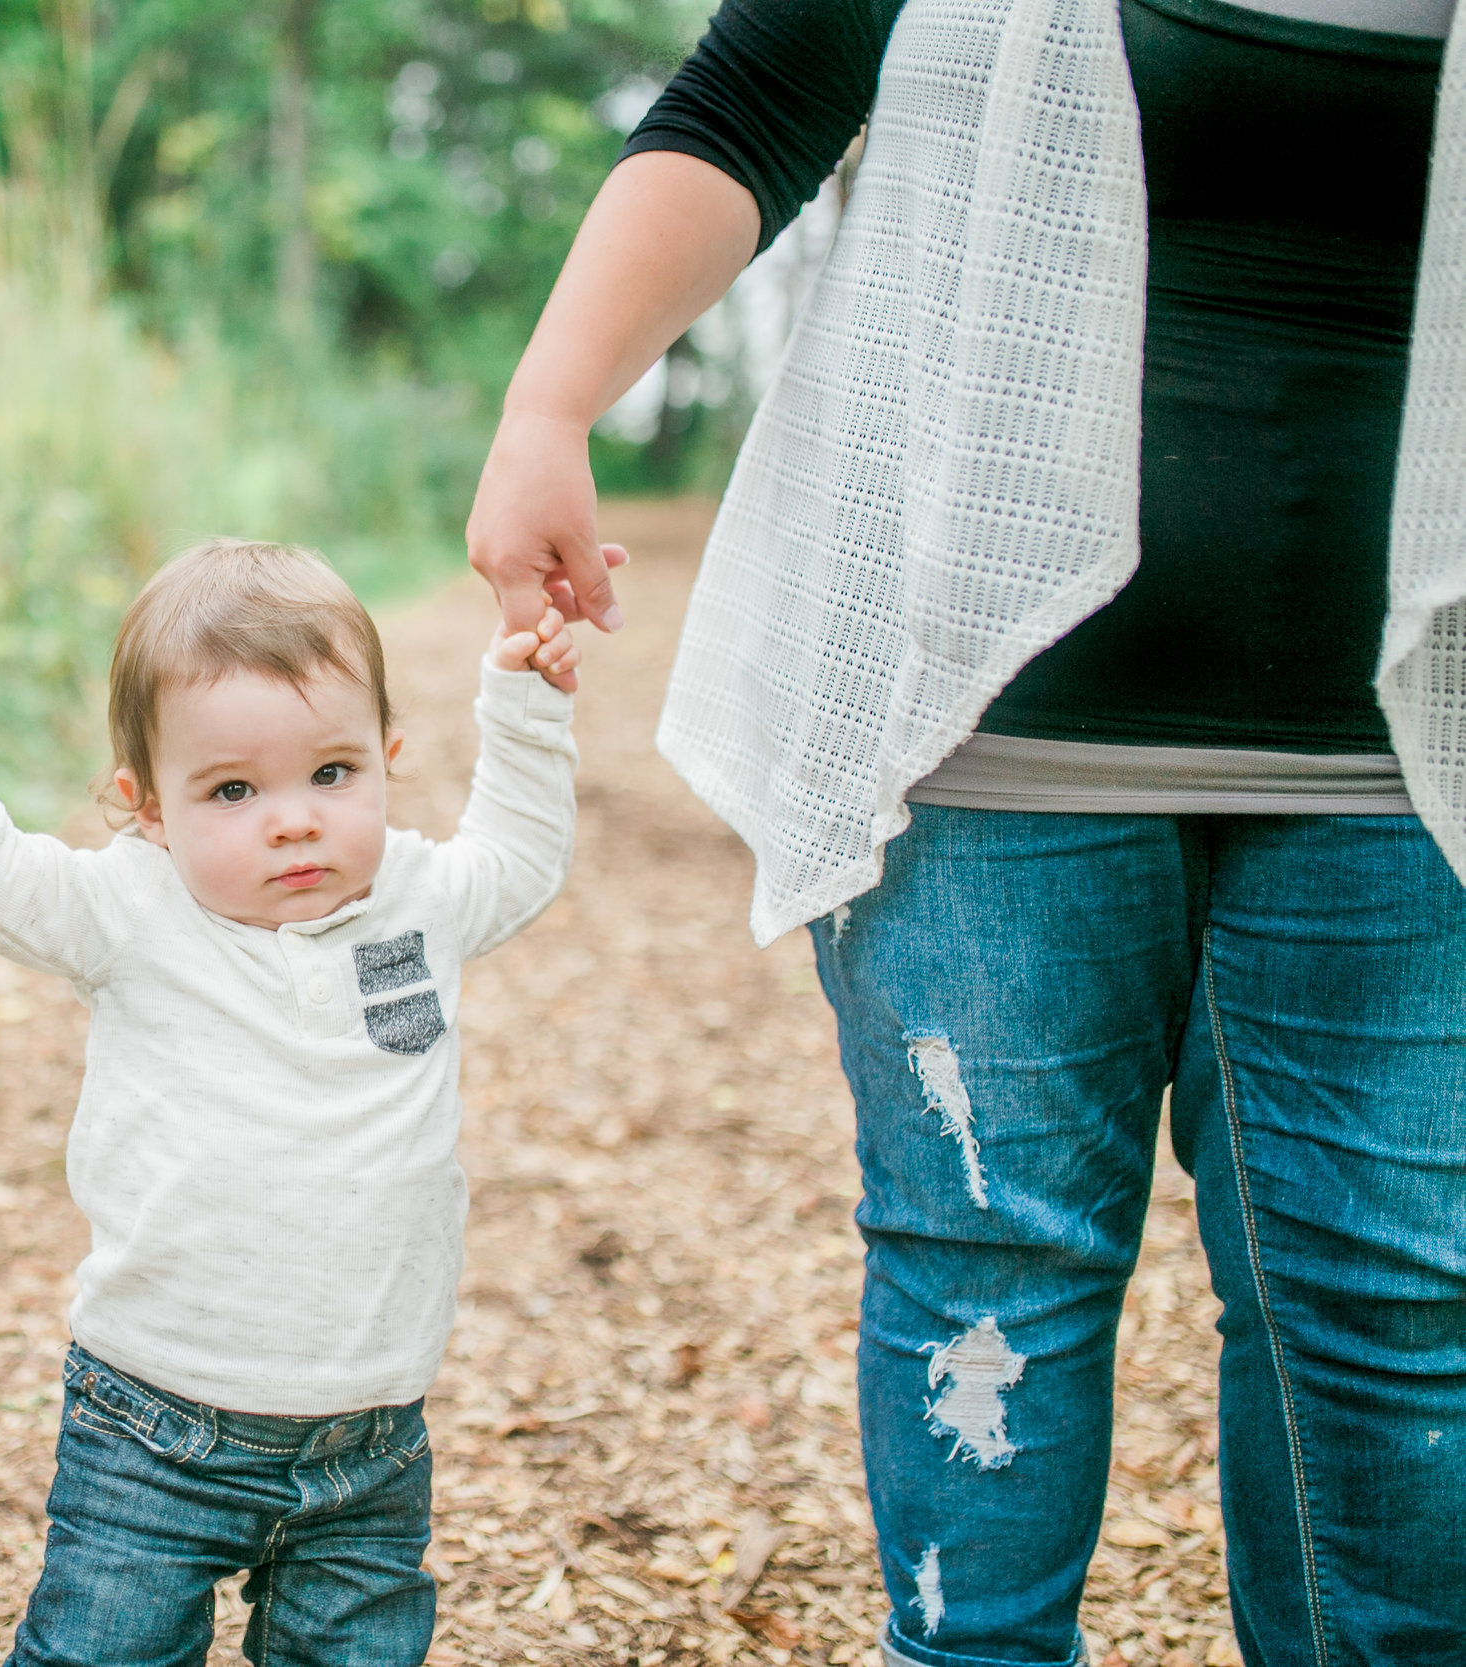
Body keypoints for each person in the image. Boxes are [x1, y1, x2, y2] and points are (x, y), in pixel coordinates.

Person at [467, 0, 1466, 1662]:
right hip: (986, 741)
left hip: (1406, 754)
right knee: (988, 1295)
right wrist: (548, 408)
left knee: (1395, 1314)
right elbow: (755, 100)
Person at [0, 540, 579, 1666]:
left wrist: (526, 695)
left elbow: (521, 851)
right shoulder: (130, 911)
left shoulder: (416, 901)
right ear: (147, 808)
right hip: (154, 1426)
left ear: (386, 756)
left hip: (372, 1435)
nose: (292, 819)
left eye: (332, 773)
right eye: (233, 789)